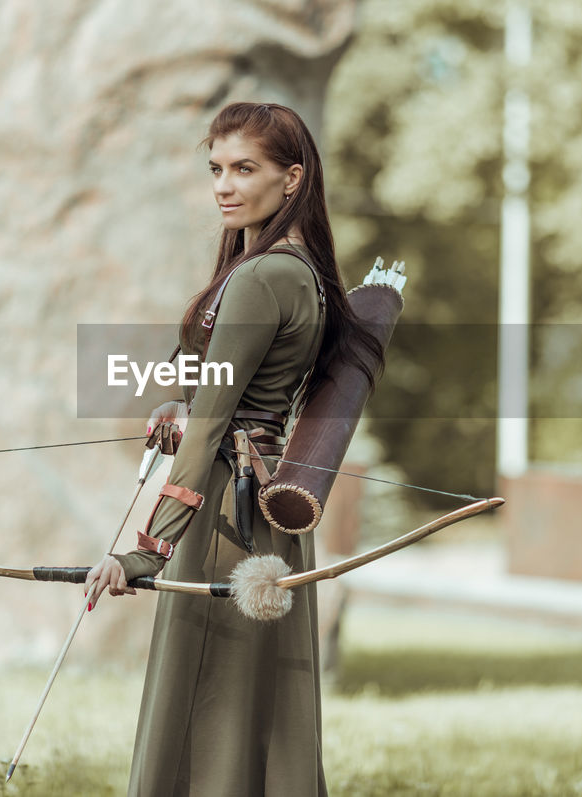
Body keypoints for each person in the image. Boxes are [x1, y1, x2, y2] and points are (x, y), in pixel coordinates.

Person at [83, 102, 383, 797]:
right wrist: (179, 405)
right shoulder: (288, 270)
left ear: (292, 178)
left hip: (227, 515)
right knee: (250, 708)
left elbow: (215, 423)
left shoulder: (262, 277)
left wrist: (146, 549)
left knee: (210, 703)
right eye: (216, 167)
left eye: (244, 168)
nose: (223, 184)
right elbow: (220, 397)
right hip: (258, 506)